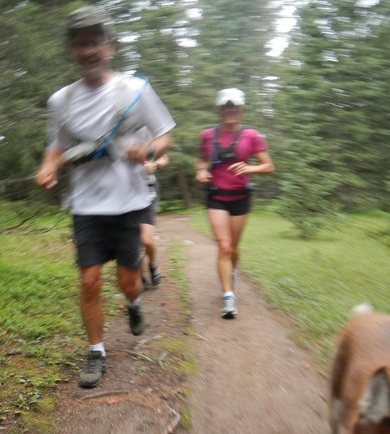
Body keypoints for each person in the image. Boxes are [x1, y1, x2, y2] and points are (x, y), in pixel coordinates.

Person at [35, 5, 175, 388]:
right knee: (90, 280)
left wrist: (147, 151)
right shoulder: (60, 101)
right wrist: (48, 166)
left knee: (128, 280)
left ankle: (132, 303)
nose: (88, 50)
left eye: (95, 42)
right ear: (73, 51)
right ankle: (96, 351)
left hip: (129, 205)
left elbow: (165, 135)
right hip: (87, 207)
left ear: (109, 46)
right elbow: (56, 146)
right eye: (80, 44)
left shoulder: (135, 90)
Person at [195, 88, 274, 319]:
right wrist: (201, 172)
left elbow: (269, 166)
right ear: (219, 111)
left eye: (234, 106)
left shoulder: (252, 136)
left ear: (241, 109)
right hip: (216, 197)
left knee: (234, 249)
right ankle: (228, 297)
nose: (230, 111)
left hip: (240, 197)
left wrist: (251, 167)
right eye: (225, 107)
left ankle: (232, 272)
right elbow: (201, 161)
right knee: (224, 246)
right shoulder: (208, 135)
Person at [140, 153, 169, 290]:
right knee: (135, 243)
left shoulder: (148, 139)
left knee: (146, 240)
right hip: (124, 200)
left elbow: (165, 158)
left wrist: (155, 165)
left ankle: (152, 265)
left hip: (147, 198)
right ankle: (141, 277)